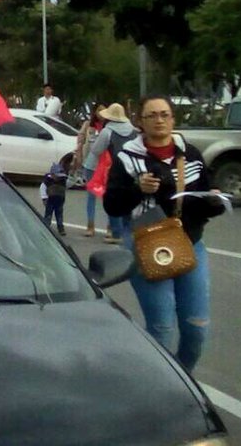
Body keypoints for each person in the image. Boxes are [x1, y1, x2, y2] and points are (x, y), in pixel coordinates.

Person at [105, 95, 227, 372]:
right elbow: (112, 204)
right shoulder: (127, 157)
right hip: (146, 245)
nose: (159, 120)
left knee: (196, 328)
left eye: (164, 114)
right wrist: (139, 190)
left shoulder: (191, 154)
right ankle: (159, 388)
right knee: (161, 327)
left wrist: (214, 202)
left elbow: (203, 199)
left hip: (189, 243)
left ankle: (182, 380)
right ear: (141, 122)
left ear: (173, 119)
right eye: (152, 115)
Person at [83, 103, 138, 243]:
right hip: (127, 169)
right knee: (124, 199)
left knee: (101, 198)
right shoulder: (133, 131)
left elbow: (96, 150)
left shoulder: (107, 131)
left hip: (100, 168)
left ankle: (102, 229)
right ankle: (121, 231)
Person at [72, 105, 105, 237]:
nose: (101, 113)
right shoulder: (88, 125)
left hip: (105, 166)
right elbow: (80, 140)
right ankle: (90, 226)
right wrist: (78, 156)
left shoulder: (109, 127)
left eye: (104, 110)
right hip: (90, 164)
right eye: (99, 110)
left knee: (107, 198)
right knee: (91, 196)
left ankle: (110, 228)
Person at [39, 157, 68, 236]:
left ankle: (60, 227)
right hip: (50, 200)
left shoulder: (63, 181)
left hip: (60, 201)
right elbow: (42, 188)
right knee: (48, 214)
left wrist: (73, 177)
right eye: (57, 176)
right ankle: (46, 226)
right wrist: (44, 198)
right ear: (52, 174)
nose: (58, 178)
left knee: (59, 215)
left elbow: (69, 184)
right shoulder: (47, 181)